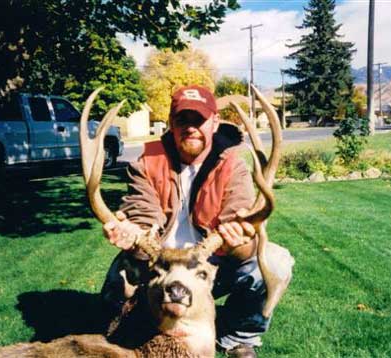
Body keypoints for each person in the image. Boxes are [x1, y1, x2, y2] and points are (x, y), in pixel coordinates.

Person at [101, 85, 271, 358]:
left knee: (270, 263)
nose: (190, 128)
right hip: (160, 264)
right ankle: (131, 329)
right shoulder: (148, 162)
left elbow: (240, 220)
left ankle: (239, 338)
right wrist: (134, 233)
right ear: (171, 123)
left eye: (199, 120)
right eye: (183, 120)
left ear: (215, 122)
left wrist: (238, 236)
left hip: (209, 264)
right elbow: (143, 210)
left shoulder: (232, 165)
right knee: (119, 278)